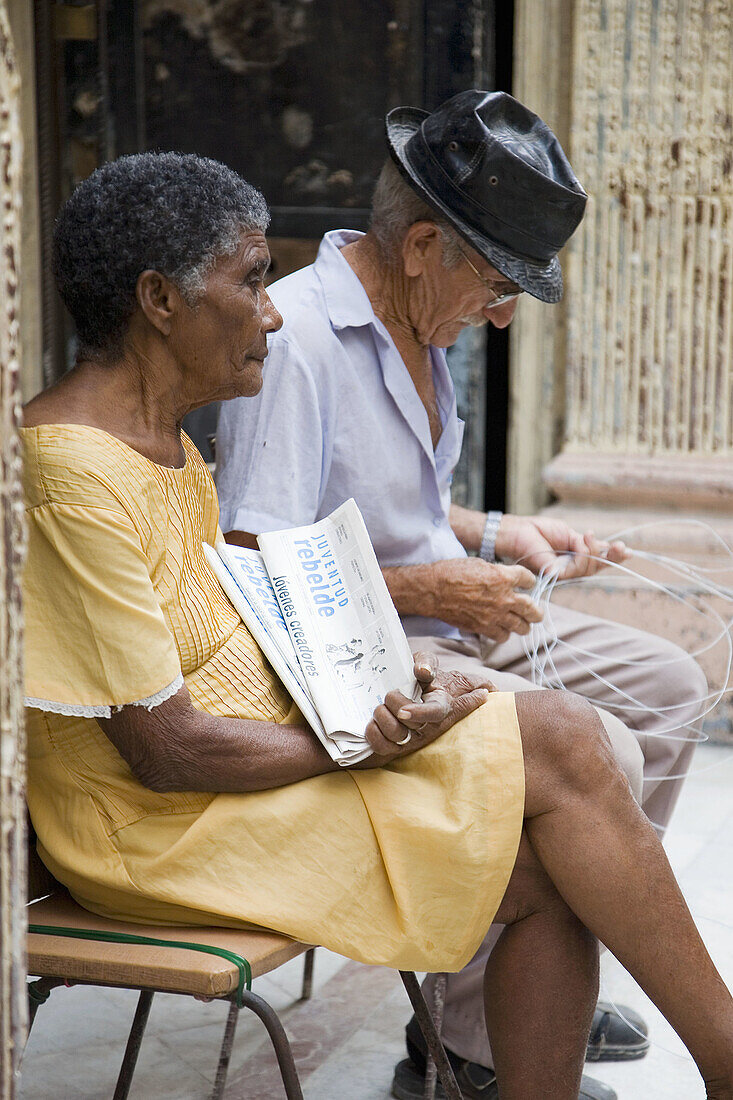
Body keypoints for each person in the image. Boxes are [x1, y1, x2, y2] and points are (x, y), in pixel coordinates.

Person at [23, 151, 733, 1100]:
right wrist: (360, 741)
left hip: (258, 756)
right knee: (568, 758)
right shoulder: (69, 476)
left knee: (569, 813)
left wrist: (382, 700)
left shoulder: (164, 444)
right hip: (153, 830)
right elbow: (165, 751)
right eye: (251, 280)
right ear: (159, 299)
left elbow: (230, 636)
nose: (271, 310)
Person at [214, 90, 709, 1099]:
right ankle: (469, 1045)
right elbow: (249, 560)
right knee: (591, 746)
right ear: (422, 244)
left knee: (666, 684)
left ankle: (545, 961)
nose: (501, 312)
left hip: (447, 611)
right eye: (495, 282)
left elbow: (400, 505)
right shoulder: (300, 339)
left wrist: (496, 532)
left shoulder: (424, 325)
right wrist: (429, 584)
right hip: (364, 647)